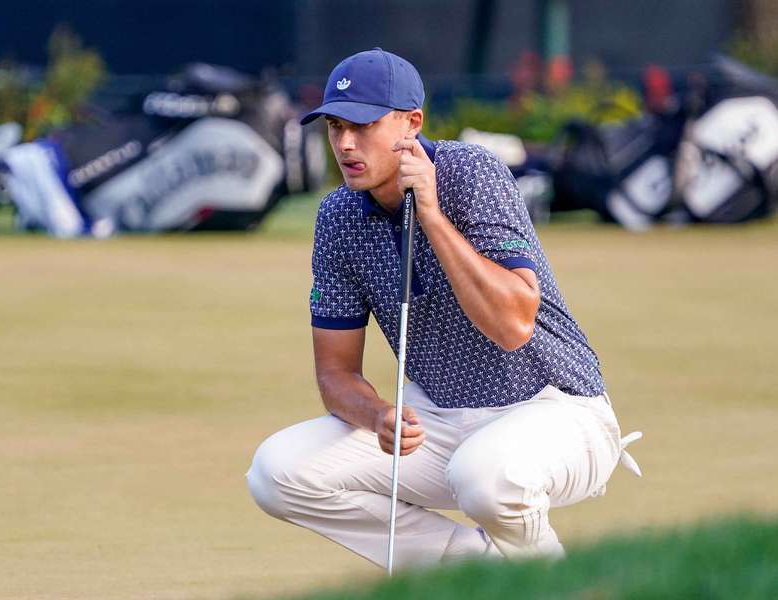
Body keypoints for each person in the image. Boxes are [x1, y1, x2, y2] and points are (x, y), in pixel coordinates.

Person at [246, 48, 641, 568]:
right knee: (277, 472)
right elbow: (336, 374)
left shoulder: (471, 172)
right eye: (336, 126)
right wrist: (378, 415)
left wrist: (431, 215)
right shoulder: (338, 216)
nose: (345, 144)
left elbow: (513, 325)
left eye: (363, 125)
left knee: (485, 477)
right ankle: (475, 571)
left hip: (555, 410)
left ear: (412, 124)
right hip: (436, 421)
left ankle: (553, 584)